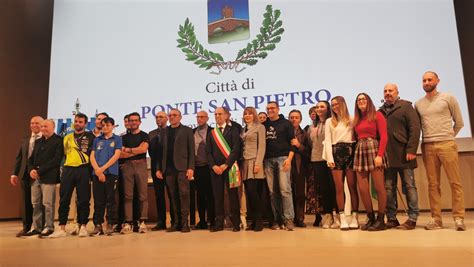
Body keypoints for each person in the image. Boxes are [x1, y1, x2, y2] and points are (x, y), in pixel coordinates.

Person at [415, 71, 466, 231]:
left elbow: (459, 122)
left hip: (447, 144)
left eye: (429, 79)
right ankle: (436, 219)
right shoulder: (418, 104)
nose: (426, 82)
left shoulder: (448, 98)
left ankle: (458, 218)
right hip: (428, 146)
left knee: (455, 183)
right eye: (424, 80)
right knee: (433, 185)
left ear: (437, 81)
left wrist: (448, 137)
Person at [379, 83, 420, 230]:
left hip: (405, 154)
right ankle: (391, 218)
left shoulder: (406, 106)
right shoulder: (380, 111)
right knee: (389, 187)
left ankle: (412, 218)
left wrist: (411, 149)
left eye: (391, 90)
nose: (388, 93)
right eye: (385, 91)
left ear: (397, 92)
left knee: (409, 186)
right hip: (387, 156)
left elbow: (415, 129)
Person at [48, 113, 95, 238]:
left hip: (83, 169)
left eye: (80, 121)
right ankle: (62, 228)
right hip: (68, 170)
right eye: (76, 121)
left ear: (85, 124)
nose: (77, 123)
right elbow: (62, 156)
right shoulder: (67, 137)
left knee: (83, 200)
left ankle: (83, 226)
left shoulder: (91, 137)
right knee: (64, 199)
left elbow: (93, 155)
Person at [353, 93, 388, 231]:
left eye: (363, 99)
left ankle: (381, 219)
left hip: (374, 149)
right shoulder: (357, 119)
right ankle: (371, 217)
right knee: (362, 188)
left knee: (379, 187)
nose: (361, 101)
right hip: (360, 150)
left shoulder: (377, 115)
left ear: (369, 101)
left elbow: (384, 137)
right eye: (359, 100)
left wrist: (379, 155)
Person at [156, 108, 195, 233]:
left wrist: (191, 167)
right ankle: (176, 223)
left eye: (174, 115)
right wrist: (158, 168)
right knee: (173, 196)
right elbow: (160, 152)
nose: (172, 117)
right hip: (168, 169)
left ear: (180, 117)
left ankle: (185, 223)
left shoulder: (187, 130)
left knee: (184, 195)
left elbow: (191, 151)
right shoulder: (164, 131)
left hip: (182, 168)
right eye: (170, 115)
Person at [24, 120, 64, 238]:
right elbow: (30, 159)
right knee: (35, 203)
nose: (43, 128)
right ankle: (36, 227)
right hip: (35, 177)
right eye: (42, 126)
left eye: (45, 126)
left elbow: (56, 160)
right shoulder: (38, 141)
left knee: (47, 203)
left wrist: (39, 170)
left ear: (53, 127)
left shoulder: (59, 141)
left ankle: (49, 227)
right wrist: (31, 169)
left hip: (49, 177)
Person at [324, 96, 359, 230]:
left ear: (343, 104)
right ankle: (342, 218)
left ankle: (355, 218)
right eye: (332, 105)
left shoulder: (351, 119)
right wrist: (330, 158)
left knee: (352, 186)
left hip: (350, 151)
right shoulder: (329, 121)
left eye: (337, 104)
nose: (334, 107)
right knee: (338, 188)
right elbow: (327, 140)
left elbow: (355, 137)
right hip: (335, 152)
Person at [206, 107, 242, 232]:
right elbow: (208, 152)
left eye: (220, 114)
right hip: (215, 170)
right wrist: (213, 166)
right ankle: (219, 223)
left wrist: (226, 165)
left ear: (226, 116)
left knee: (233, 196)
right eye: (215, 114)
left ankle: (236, 223)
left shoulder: (233, 130)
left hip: (230, 167)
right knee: (217, 197)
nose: (217, 116)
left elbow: (236, 150)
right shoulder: (211, 133)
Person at [263, 101, 296, 231]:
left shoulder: (286, 123)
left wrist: (289, 159)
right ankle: (277, 219)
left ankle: (289, 219)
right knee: (272, 192)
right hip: (268, 160)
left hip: (283, 158)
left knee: (285, 190)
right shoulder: (263, 125)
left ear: (277, 109)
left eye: (272, 108)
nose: (270, 110)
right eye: (268, 108)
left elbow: (293, 142)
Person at [10, 116, 44, 237]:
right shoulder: (25, 140)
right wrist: (14, 173)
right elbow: (19, 158)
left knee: (40, 203)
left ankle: (40, 227)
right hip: (25, 174)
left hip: (40, 175)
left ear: (42, 124)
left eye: (37, 123)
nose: (34, 125)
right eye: (32, 123)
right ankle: (26, 227)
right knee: (27, 202)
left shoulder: (46, 139)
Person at [89, 117, 122, 235]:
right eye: (103, 125)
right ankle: (98, 225)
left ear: (113, 126)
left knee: (111, 200)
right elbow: (92, 156)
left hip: (111, 173)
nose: (105, 127)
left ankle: (110, 224)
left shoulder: (117, 139)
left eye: (108, 125)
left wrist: (102, 169)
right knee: (98, 200)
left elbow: (116, 156)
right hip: (97, 174)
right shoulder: (97, 140)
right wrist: (97, 171)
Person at [119, 112, 149, 234]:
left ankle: (142, 222)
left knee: (143, 195)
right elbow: (121, 154)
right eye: (131, 120)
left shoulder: (144, 135)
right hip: (127, 166)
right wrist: (135, 150)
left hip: (141, 164)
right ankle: (128, 222)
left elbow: (144, 149)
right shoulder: (122, 138)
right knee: (128, 195)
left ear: (139, 122)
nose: (133, 122)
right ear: (128, 122)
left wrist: (129, 150)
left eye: (135, 120)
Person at [241, 107, 266, 231]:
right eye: (245, 114)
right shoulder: (243, 129)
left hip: (254, 162)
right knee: (249, 194)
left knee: (253, 192)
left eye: (250, 113)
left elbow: (262, 147)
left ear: (254, 115)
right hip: (244, 163)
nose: (247, 116)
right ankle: (254, 221)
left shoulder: (260, 127)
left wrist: (258, 163)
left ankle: (259, 220)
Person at [148, 111, 171, 231]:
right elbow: (151, 153)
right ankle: (161, 221)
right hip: (156, 168)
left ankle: (174, 221)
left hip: (170, 168)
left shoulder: (171, 132)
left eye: (161, 117)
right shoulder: (151, 134)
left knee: (172, 195)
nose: (158, 119)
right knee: (159, 196)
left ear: (167, 118)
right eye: (157, 117)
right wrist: (158, 168)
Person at [192, 111, 215, 230]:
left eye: (202, 117)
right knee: (200, 196)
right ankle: (202, 221)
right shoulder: (192, 132)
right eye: (198, 117)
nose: (199, 119)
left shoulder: (212, 131)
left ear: (207, 118)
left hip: (209, 167)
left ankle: (212, 220)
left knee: (210, 194)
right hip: (197, 168)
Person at [288, 109, 311, 227]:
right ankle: (289, 218)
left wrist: (299, 145)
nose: (293, 119)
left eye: (296, 117)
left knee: (300, 194)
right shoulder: (284, 132)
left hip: (299, 166)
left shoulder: (305, 134)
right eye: (291, 117)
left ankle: (300, 218)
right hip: (286, 165)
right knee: (287, 193)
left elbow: (308, 152)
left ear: (300, 119)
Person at [304, 106, 321, 226]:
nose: (313, 114)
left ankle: (330, 214)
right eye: (311, 113)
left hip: (324, 160)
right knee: (313, 189)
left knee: (324, 187)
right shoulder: (307, 128)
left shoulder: (326, 125)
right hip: (311, 162)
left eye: (315, 112)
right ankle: (317, 215)